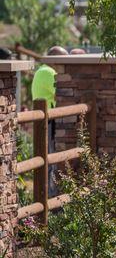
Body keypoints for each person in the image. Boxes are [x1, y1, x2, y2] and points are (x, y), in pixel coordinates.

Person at [32, 46, 69, 197]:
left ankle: (45, 196)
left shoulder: (41, 71)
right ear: (55, 59)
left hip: (44, 119)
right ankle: (51, 197)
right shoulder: (49, 72)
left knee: (46, 158)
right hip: (50, 120)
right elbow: (62, 93)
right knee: (51, 158)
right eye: (64, 60)